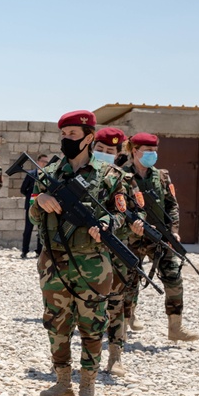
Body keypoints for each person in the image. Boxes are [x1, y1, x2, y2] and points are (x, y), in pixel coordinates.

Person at [30, 110, 127, 396]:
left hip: (92, 264)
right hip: (53, 262)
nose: (66, 139)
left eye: (73, 135)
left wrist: (108, 225)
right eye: (64, 134)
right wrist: (40, 202)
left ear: (88, 138)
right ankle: (62, 383)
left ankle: (87, 386)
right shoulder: (48, 174)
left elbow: (121, 214)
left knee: (92, 324)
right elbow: (34, 216)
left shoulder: (110, 176)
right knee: (56, 323)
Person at [121, 133, 199, 342]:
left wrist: (174, 229)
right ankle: (124, 321)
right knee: (129, 281)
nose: (152, 155)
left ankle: (176, 327)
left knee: (174, 278)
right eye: (147, 151)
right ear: (134, 150)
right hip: (133, 237)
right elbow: (117, 207)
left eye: (154, 151)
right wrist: (131, 225)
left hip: (160, 236)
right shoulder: (121, 176)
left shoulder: (162, 176)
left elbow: (172, 205)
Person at [91, 128, 145, 375]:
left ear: (118, 154)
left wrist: (137, 223)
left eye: (109, 151)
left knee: (115, 303)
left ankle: (115, 357)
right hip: (85, 250)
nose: (103, 154)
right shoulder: (81, 175)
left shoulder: (125, 179)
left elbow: (137, 209)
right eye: (99, 150)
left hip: (115, 248)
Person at [20, 154, 50, 258]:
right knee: (28, 229)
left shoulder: (48, 175)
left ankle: (39, 251)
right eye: (43, 161)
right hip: (31, 206)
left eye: (47, 162)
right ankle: (24, 251)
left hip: (43, 207)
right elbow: (23, 189)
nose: (45, 164)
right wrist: (31, 197)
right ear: (38, 162)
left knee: (41, 229)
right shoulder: (31, 174)